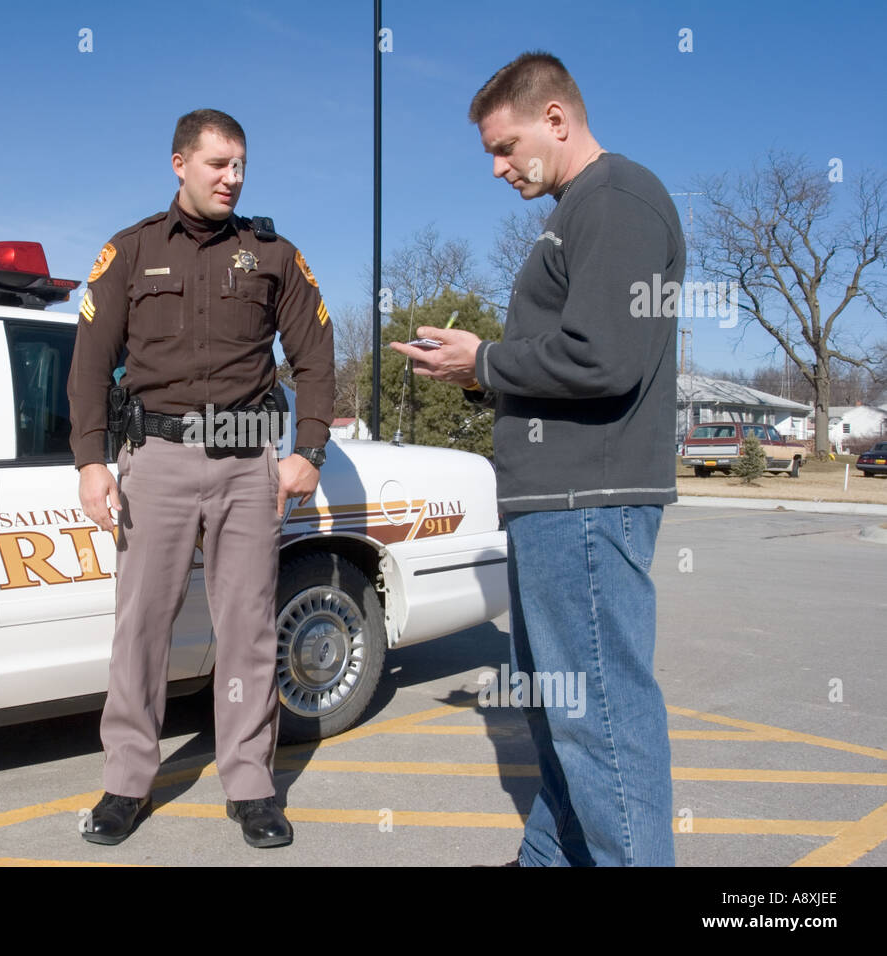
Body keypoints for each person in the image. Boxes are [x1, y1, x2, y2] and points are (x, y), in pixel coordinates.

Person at [392, 52, 683, 866]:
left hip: (587, 499)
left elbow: (604, 359)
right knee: (555, 711)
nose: (496, 167)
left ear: (555, 119)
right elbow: (569, 354)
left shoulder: (616, 200)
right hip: (554, 503)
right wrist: (484, 370)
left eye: (505, 144)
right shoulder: (577, 210)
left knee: (601, 720)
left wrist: (482, 363)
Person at [67, 108, 334, 848]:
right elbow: (90, 362)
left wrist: (307, 447)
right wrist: (92, 460)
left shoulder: (272, 253)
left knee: (248, 626)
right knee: (141, 625)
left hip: (249, 461)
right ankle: (126, 780)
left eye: (241, 164)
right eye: (218, 164)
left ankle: (250, 784)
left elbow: (315, 349)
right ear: (179, 163)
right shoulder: (130, 251)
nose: (233, 178)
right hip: (156, 459)